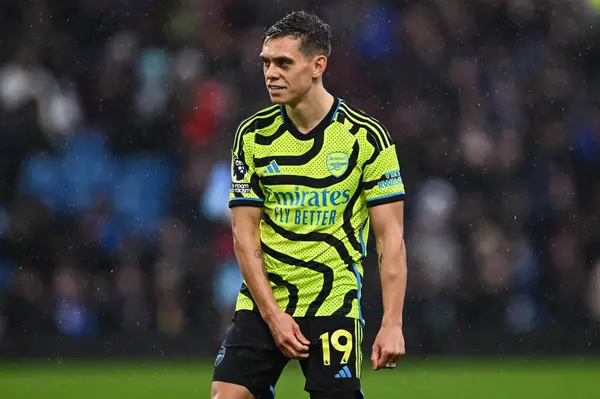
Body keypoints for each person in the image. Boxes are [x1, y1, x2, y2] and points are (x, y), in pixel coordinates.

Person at [211, 10, 407, 399]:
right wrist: (272, 315)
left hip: (332, 301)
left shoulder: (366, 138)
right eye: (266, 63)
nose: (271, 73)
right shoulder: (252, 136)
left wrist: (392, 322)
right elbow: (243, 232)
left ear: (318, 66)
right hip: (264, 299)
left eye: (284, 63)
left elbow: (390, 236)